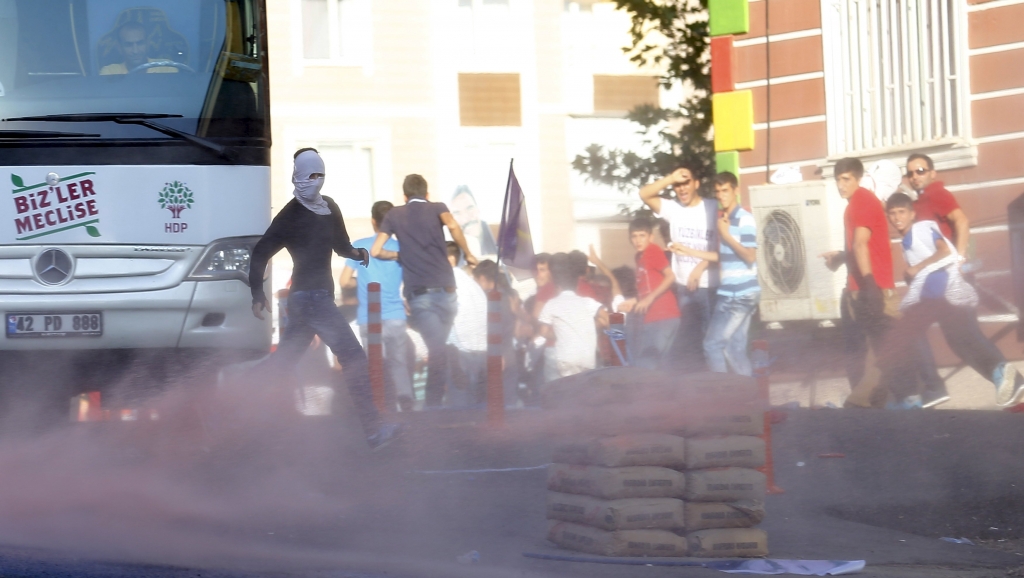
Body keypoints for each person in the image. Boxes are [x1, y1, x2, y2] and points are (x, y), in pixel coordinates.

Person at [249, 148, 404, 450]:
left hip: (314, 299)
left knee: (282, 363)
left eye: (320, 175)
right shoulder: (290, 214)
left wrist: (359, 254)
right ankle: (374, 431)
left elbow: (341, 245)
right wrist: (256, 291)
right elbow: (261, 251)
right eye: (310, 176)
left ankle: (239, 398)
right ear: (297, 176)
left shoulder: (329, 206)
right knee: (354, 357)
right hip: (311, 299)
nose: (315, 182)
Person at [879, 193, 1024, 408]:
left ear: (912, 213)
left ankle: (934, 388)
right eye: (892, 214)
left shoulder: (921, 228)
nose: (896, 217)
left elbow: (945, 250)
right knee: (961, 343)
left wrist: (917, 268)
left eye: (901, 212)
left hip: (949, 293)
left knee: (945, 335)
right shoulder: (907, 240)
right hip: (940, 296)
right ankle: (1002, 379)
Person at [370, 174, 478, 408]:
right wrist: (467, 253)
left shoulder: (394, 215)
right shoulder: (438, 207)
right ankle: (435, 401)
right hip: (448, 292)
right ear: (427, 195)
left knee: (437, 350)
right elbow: (452, 225)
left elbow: (376, 250)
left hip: (420, 295)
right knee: (438, 349)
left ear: (405, 195)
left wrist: (398, 254)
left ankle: (432, 405)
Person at [821, 158, 900, 408]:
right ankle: (862, 403)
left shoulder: (858, 202)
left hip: (863, 288)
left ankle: (872, 407)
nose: (841, 185)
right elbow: (859, 244)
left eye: (846, 179)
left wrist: (845, 259)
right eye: (838, 180)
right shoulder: (864, 201)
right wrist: (870, 284)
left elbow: (860, 245)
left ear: (858, 178)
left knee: (871, 352)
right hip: (873, 287)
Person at [905, 153, 973, 407]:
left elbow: (962, 221)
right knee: (964, 339)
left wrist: (959, 258)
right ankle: (1010, 382)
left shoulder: (937, 193)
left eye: (920, 170)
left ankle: (933, 388)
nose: (915, 176)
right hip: (935, 281)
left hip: (945, 278)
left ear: (932, 173)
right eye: (911, 173)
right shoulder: (922, 201)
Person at [639, 165, 720, 371]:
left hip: (708, 286)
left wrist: (701, 266)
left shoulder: (712, 207)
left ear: (696, 184)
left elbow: (723, 245)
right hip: (684, 287)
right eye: (677, 185)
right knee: (688, 343)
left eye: (686, 183)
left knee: (710, 340)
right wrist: (670, 178)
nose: (682, 189)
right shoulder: (674, 209)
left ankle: (716, 386)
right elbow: (644, 194)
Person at [338, 201, 415, 412]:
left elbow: (344, 281)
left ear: (373, 221)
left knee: (375, 365)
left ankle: (380, 408)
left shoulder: (360, 245)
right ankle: (404, 401)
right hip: (396, 315)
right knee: (398, 362)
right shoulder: (403, 248)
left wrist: (361, 282)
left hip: (368, 317)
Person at [702, 172, 760, 376]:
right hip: (736, 292)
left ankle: (723, 396)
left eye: (725, 190)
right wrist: (687, 251)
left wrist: (726, 235)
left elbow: (750, 256)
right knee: (734, 348)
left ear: (736, 191)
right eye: (717, 191)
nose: (721, 195)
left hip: (738, 293)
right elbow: (723, 257)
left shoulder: (744, 219)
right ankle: (750, 398)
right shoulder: (724, 220)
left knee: (712, 345)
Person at [538, 253, 610, 380]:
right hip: (587, 359)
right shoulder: (587, 302)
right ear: (576, 286)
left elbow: (543, 331)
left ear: (558, 286)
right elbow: (606, 318)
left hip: (566, 358)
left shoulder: (552, 304)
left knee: (564, 393)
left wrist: (562, 333)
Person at [620, 217, 680, 369]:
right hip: (651, 318)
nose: (638, 240)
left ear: (651, 237)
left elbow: (670, 276)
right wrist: (633, 301)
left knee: (648, 364)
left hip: (664, 316)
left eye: (642, 236)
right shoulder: (639, 257)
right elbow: (646, 289)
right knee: (654, 365)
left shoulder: (652, 250)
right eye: (634, 236)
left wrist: (649, 299)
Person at [473, 260, 530, 407]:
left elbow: (495, 326)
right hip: (509, 354)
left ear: (483, 279)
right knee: (508, 403)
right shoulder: (510, 295)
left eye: (476, 281)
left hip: (496, 355)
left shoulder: (489, 298)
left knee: (492, 406)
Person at [445, 243, 488, 407]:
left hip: (460, 352)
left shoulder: (448, 282)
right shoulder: (473, 285)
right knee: (479, 408)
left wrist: (452, 356)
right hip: (480, 351)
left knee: (460, 409)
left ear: (450, 259)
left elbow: (449, 318)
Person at [99, 21, 179, 75]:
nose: (135, 51)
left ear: (148, 44)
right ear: (119, 48)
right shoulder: (110, 73)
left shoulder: (166, 68)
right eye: (128, 45)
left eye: (140, 43)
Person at [450, 186, 498, 262]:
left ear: (478, 209)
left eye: (470, 208)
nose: (466, 218)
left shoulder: (499, 238)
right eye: (457, 213)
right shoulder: (452, 254)